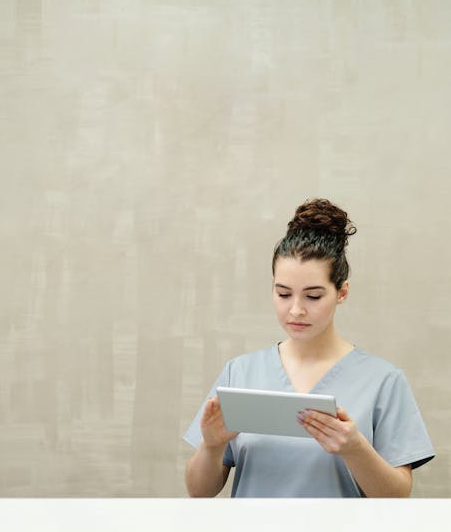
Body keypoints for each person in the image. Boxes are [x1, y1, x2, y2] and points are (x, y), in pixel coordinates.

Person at [183, 198, 434, 497]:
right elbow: (200, 493)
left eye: (313, 296)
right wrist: (212, 446)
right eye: (283, 294)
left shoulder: (383, 381)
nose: (296, 310)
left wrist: (355, 449)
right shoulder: (239, 372)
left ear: (342, 292)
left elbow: (397, 496)